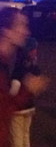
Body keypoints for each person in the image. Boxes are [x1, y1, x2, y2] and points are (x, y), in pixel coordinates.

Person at [0, 8, 48, 147]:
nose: (27, 32)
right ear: (6, 31)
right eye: (21, 25)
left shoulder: (7, 61)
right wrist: (27, 90)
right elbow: (4, 109)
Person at [9, 36, 41, 147]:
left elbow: (14, 89)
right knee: (25, 135)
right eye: (34, 49)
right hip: (30, 106)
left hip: (18, 109)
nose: (35, 51)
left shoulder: (18, 69)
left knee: (17, 137)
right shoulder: (34, 68)